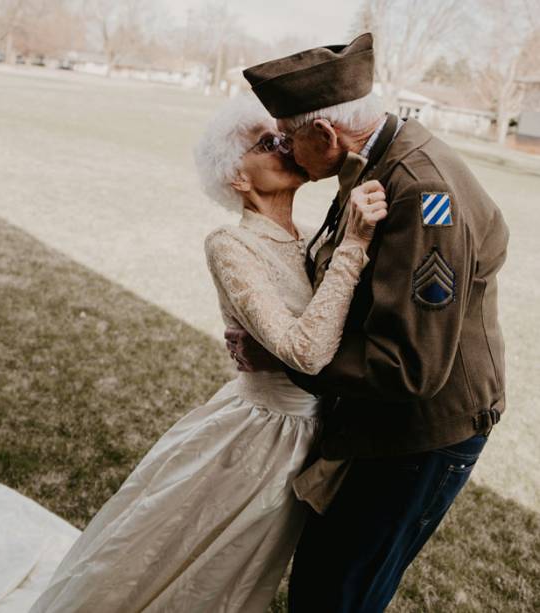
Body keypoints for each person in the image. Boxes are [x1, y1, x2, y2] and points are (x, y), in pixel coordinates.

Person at [27, 94, 388, 613]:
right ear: (238, 178)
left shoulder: (311, 239)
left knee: (245, 576)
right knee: (191, 559)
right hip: (259, 436)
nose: (284, 146)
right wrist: (354, 245)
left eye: (283, 137)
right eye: (268, 144)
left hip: (312, 434)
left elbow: (326, 330)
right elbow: (307, 350)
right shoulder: (230, 245)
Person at [226, 32, 510, 612]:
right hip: (382, 420)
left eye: (287, 135)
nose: (283, 148)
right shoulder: (376, 158)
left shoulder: (422, 189)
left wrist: (286, 357)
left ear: (326, 133)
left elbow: (409, 366)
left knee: (338, 593)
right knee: (329, 581)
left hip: (423, 432)